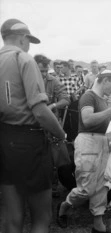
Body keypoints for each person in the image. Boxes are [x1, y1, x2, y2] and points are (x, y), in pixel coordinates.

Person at [0, 18, 65, 233]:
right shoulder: (23, 59)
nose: (29, 45)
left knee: (12, 217)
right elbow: (39, 111)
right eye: (28, 40)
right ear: (22, 38)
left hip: (4, 139)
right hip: (29, 143)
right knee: (41, 217)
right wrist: (60, 133)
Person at [57, 70, 111, 233]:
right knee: (86, 187)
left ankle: (98, 224)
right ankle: (65, 205)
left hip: (102, 142)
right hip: (88, 142)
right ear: (106, 80)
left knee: (102, 184)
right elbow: (87, 120)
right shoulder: (89, 96)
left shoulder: (103, 100)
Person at [34, 54, 70, 198]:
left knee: (53, 156)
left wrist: (52, 105)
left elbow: (66, 99)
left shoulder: (53, 81)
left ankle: (53, 187)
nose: (43, 74)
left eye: (45, 71)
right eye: (40, 70)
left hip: (50, 124)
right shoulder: (27, 80)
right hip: (32, 125)